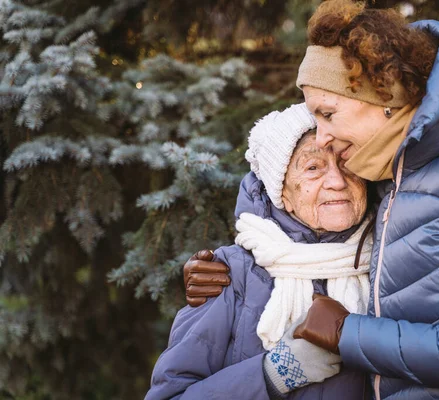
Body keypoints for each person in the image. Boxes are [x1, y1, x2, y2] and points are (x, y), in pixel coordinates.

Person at [181, 1, 439, 399]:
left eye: (328, 113)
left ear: (380, 99)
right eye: (312, 166)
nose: (324, 140)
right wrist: (222, 276)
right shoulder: (393, 178)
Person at [146, 104, 373, 400]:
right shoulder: (230, 274)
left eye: (346, 162)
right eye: (313, 168)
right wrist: (274, 373)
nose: (337, 181)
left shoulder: (389, 256)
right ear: (282, 192)